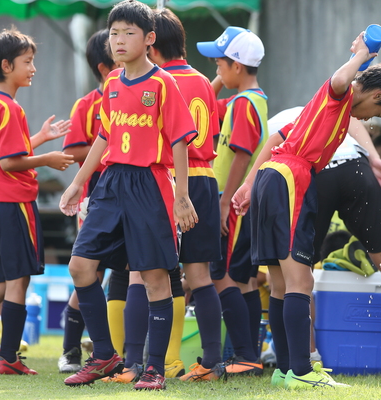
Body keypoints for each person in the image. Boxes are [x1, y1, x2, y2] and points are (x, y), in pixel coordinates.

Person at [232, 32, 381, 389]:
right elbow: (341, 81)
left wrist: (249, 185)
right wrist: (361, 55)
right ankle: (304, 373)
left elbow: (282, 136)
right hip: (291, 179)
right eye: (378, 113)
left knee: (280, 284)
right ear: (377, 96)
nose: (371, 119)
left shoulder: (332, 112)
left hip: (274, 177)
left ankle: (287, 371)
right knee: (300, 281)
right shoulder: (340, 94)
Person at [59, 0, 198, 390]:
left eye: (129, 33)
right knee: (80, 266)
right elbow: (103, 137)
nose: (119, 41)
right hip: (110, 184)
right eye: (114, 33)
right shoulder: (112, 84)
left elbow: (180, 142)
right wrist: (76, 183)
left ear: (149, 38)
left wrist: (182, 196)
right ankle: (104, 355)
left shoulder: (163, 84)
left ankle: (154, 368)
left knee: (154, 278)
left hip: (149, 184)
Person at [148, 7, 225, 382]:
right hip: (206, 179)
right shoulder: (202, 82)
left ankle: (142, 362)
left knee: (147, 273)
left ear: (152, 43)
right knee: (200, 275)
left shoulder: (156, 80)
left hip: (172, 180)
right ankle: (211, 362)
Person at [0, 27, 74, 375]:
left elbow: (8, 152)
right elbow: (7, 163)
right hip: (13, 203)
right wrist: (47, 159)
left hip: (3, 202)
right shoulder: (10, 108)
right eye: (27, 62)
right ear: (6, 65)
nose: (33, 69)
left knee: (3, 281)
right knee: (18, 280)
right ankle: (8, 358)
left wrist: (39, 138)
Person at [196, 25, 267, 376]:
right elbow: (204, 104)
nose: (215, 70)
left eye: (220, 63)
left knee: (222, 276)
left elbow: (241, 154)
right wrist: (221, 79)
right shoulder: (253, 99)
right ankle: (247, 354)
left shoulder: (243, 104)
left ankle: (244, 355)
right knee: (244, 280)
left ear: (237, 66)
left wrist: (224, 201)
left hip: (234, 203)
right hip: (245, 203)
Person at [58, 28, 118, 375]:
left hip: (129, 194)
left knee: (124, 271)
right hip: (93, 198)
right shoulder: (87, 104)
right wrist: (113, 145)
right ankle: (70, 350)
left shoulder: (141, 89)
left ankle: (116, 349)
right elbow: (72, 150)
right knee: (89, 270)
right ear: (103, 67)